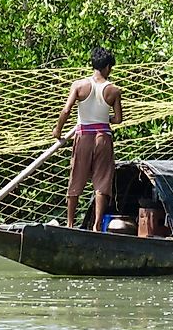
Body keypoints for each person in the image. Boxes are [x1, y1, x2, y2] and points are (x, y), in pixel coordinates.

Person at [52, 46, 123, 231]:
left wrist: (57, 130)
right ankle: (97, 225)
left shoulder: (79, 85)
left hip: (84, 135)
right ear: (107, 67)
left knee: (77, 177)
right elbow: (118, 119)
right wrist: (104, 118)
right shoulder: (113, 90)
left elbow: (66, 110)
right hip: (103, 137)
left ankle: (69, 223)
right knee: (102, 180)